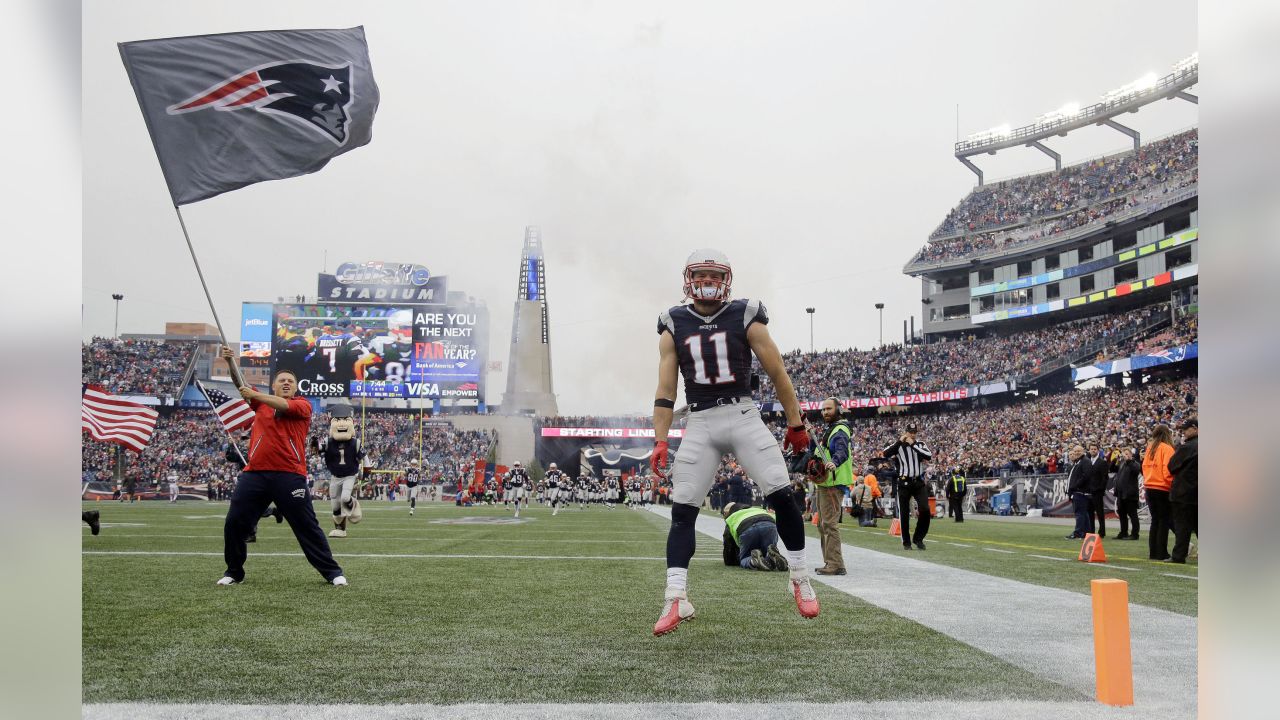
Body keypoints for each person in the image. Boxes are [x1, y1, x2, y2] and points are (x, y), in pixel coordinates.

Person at [650, 248, 818, 636]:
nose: (706, 282)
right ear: (688, 279)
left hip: (742, 415)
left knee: (781, 493)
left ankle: (799, 576)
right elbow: (665, 387)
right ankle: (676, 597)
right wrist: (661, 439)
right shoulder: (672, 322)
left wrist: (796, 424)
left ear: (726, 280)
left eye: (714, 275)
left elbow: (777, 371)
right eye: (700, 275)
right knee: (683, 510)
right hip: (701, 421)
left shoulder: (745, 313)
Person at [216, 346, 346, 587]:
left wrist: (254, 395)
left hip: (289, 475)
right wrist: (230, 361)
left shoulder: (302, 405)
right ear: (273, 385)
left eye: (290, 381)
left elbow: (279, 405)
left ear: (295, 388)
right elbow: (240, 384)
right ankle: (234, 572)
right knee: (235, 522)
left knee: (306, 526)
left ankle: (332, 572)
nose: (286, 383)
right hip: (254, 474)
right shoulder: (260, 405)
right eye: (282, 381)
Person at [812, 397, 853, 575]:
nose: (825, 412)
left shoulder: (840, 430)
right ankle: (831, 562)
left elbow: (841, 451)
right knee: (824, 524)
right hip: (827, 483)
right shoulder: (832, 429)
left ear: (838, 410)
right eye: (823, 410)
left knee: (829, 524)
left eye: (829, 409)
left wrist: (834, 463)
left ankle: (835, 564)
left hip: (833, 483)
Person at [313, 404, 365, 538]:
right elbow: (317, 450)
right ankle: (340, 529)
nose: (341, 424)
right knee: (335, 504)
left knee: (345, 498)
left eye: (345, 420)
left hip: (349, 475)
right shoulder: (328, 441)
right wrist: (313, 443)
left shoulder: (355, 442)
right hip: (335, 476)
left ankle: (353, 505)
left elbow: (365, 458)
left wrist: (366, 472)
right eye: (337, 420)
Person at [883, 423, 933, 550]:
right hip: (904, 482)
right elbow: (886, 453)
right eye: (910, 432)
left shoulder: (920, 444)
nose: (913, 434)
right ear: (906, 432)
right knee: (904, 514)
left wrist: (913, 444)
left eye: (914, 432)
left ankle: (918, 538)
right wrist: (900, 441)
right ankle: (906, 542)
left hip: (918, 482)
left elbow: (929, 456)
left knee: (925, 509)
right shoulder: (898, 445)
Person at [1142, 424, 1176, 561]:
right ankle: (1162, 552)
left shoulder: (1150, 448)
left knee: (1155, 521)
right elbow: (1168, 470)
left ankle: (1153, 552)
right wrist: (1170, 484)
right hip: (1162, 488)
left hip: (1149, 486)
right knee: (1164, 521)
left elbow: (1144, 467)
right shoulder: (1167, 449)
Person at [1166, 418, 1198, 564]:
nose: (1183, 432)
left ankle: (1179, 555)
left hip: (1184, 492)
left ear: (1194, 428)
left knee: (1182, 526)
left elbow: (1172, 466)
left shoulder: (1187, 447)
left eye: (1185, 429)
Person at [721, 502, 788, 571]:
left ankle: (753, 560)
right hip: (770, 525)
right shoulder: (757, 509)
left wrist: (729, 561)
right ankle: (772, 557)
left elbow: (728, 544)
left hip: (747, 528)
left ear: (727, 513)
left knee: (744, 558)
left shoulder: (732, 517)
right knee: (767, 552)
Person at [1111, 448, 1142, 540]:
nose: (1125, 455)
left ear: (1131, 455)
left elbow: (1136, 471)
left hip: (1130, 494)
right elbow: (1112, 469)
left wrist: (1129, 460)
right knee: (1122, 514)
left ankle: (1135, 534)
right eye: (1124, 453)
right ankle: (1123, 532)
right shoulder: (1122, 464)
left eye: (1127, 454)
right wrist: (1115, 459)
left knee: (1133, 515)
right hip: (1121, 494)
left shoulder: (1134, 463)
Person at [1065, 444, 1093, 540]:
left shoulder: (1085, 461)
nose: (1076, 453)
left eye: (1078, 451)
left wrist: (1075, 486)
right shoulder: (1079, 462)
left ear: (1083, 451)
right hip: (1078, 491)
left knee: (1080, 513)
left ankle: (1078, 532)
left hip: (1081, 492)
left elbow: (1086, 476)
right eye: (1075, 451)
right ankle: (1086, 533)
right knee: (1083, 513)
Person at [1088, 443, 1110, 538]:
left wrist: (1100, 489)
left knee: (1100, 513)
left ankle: (1102, 532)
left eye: (1094, 449)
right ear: (1089, 450)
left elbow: (1105, 478)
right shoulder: (1088, 462)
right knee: (1090, 513)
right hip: (1089, 492)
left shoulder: (1102, 462)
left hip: (1097, 492)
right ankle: (1091, 531)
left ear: (1098, 450)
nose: (1093, 450)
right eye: (1091, 449)